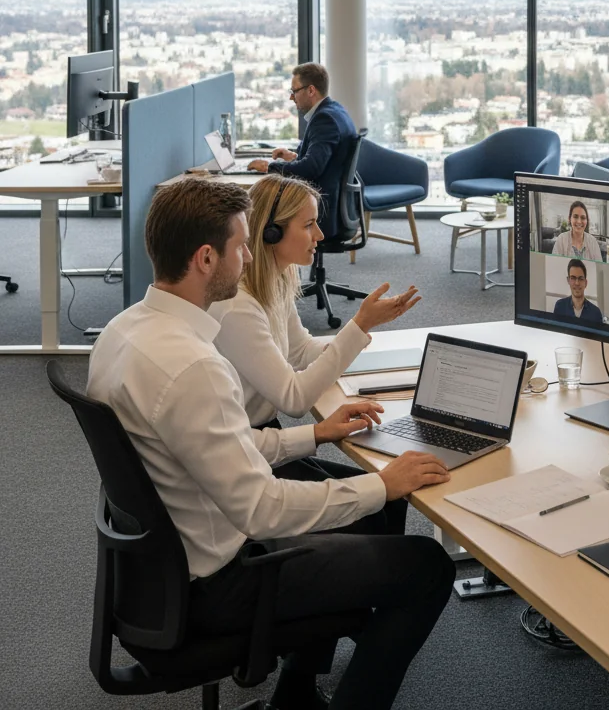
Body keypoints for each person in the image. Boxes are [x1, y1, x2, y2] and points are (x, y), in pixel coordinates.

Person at [87, 176, 454, 710]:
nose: (248, 255)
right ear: (207, 258)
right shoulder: (195, 366)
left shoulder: (122, 333)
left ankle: (296, 694)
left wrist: (318, 440)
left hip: (167, 564)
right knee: (428, 567)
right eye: (240, 245)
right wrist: (379, 485)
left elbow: (226, 445)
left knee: (362, 508)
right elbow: (262, 508)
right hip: (221, 579)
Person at [210, 175, 420, 534]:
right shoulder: (237, 306)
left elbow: (302, 349)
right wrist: (357, 328)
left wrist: (362, 334)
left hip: (266, 437)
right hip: (247, 451)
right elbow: (294, 398)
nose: (320, 235)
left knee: (389, 499)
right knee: (380, 502)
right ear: (270, 233)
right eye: (308, 225)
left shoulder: (275, 278)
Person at [248, 62, 357, 240]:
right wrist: (294, 158)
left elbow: (311, 169)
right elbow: (325, 160)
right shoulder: (335, 110)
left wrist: (269, 167)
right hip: (336, 203)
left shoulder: (324, 119)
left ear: (311, 90)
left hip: (323, 210)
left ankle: (269, 266)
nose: (292, 98)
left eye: (294, 91)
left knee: (257, 211)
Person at [552, 259, 603, 323]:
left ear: (585, 283)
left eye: (581, 279)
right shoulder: (560, 306)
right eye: (573, 278)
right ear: (568, 281)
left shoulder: (595, 313)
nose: (577, 283)